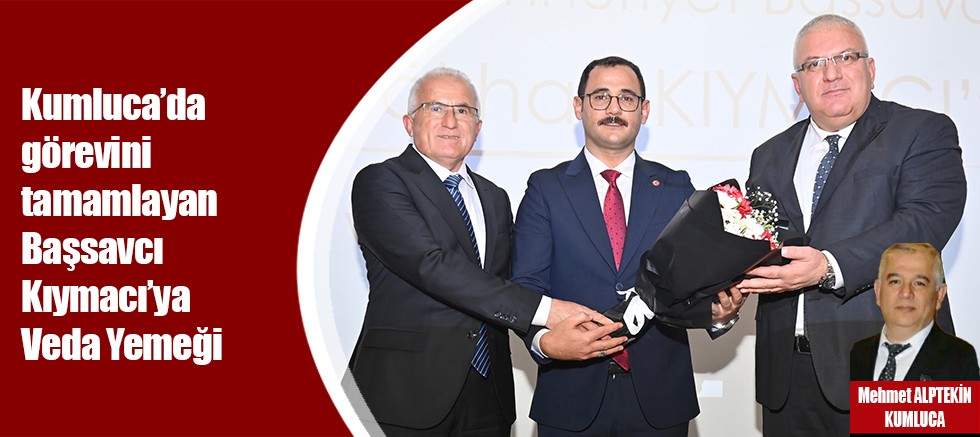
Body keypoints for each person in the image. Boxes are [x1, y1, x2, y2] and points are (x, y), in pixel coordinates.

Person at [347, 67, 623, 436]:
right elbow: (432, 266)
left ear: (477, 128)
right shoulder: (381, 181)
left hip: (488, 396)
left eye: (463, 110)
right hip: (401, 394)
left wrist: (545, 339)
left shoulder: (494, 197)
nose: (450, 121)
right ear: (409, 123)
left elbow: (511, 283)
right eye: (435, 108)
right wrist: (549, 311)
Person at [738, 14, 967, 436]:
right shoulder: (767, 155)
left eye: (845, 57)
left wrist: (828, 265)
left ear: (870, 68)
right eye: (814, 64)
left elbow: (925, 221)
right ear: (797, 84)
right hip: (787, 379)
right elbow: (759, 248)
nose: (831, 74)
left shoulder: (922, 131)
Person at [510, 56, 744, 436]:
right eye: (600, 96)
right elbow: (526, 286)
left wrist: (719, 314)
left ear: (644, 110)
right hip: (569, 395)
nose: (614, 108)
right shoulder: (546, 188)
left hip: (661, 401)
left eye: (627, 98)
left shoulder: (677, 188)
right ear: (579, 107)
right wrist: (545, 342)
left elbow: (691, 285)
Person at [851, 243, 979, 381]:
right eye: (895, 281)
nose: (906, 293)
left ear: (939, 295)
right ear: (878, 291)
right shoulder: (857, 354)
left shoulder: (959, 360)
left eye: (919, 283)